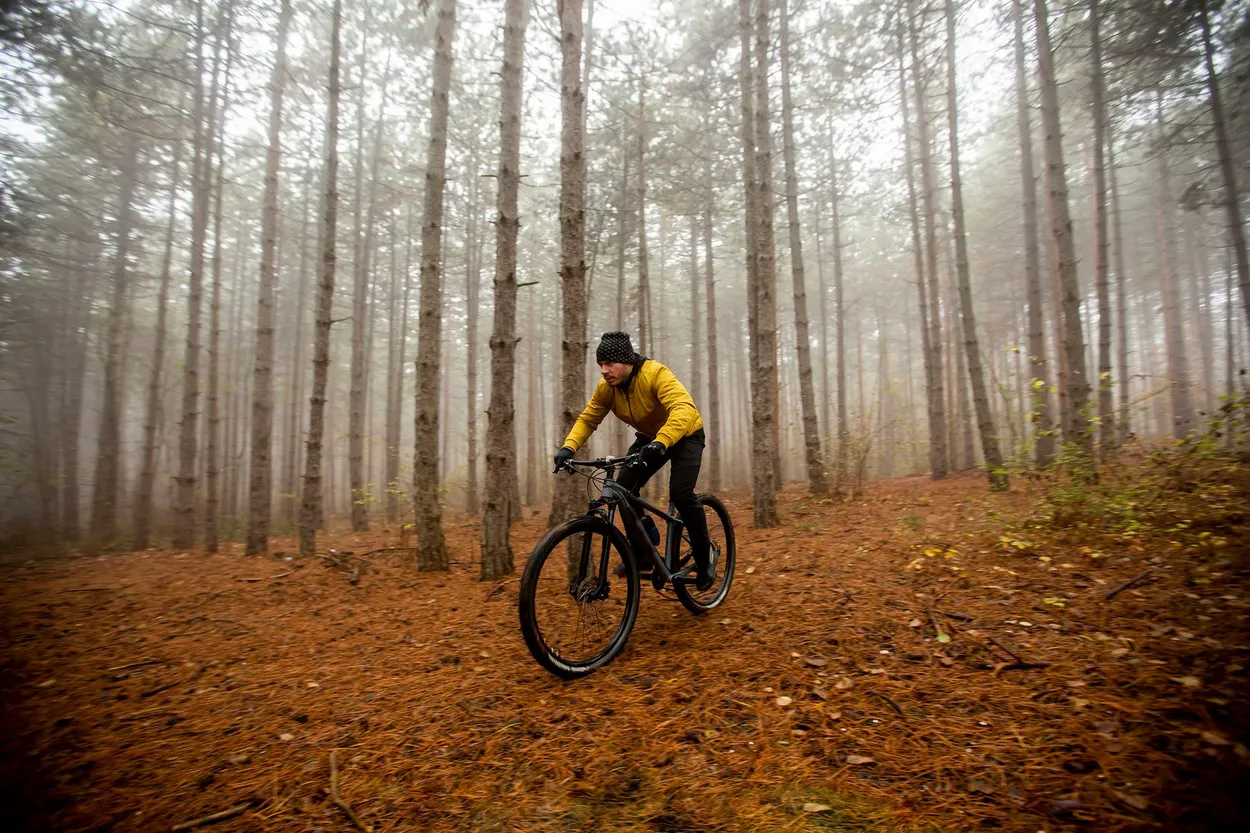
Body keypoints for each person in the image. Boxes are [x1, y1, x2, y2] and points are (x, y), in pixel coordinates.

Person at [553, 332, 714, 590]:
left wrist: (661, 442)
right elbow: (587, 419)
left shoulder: (655, 374)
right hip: (651, 438)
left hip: (686, 434)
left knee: (681, 495)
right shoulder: (607, 388)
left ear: (627, 362)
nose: (604, 371)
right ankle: (642, 554)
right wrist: (568, 448)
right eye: (600, 365)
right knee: (622, 490)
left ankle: (704, 558)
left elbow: (684, 409)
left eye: (609, 364)